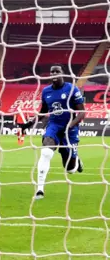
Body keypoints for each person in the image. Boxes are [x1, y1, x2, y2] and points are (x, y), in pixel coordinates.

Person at [34, 65, 85, 200]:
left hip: (70, 129)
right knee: (46, 152)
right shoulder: (46, 91)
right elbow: (43, 111)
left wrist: (68, 127)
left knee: (70, 169)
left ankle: (77, 161)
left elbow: (82, 112)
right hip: (54, 126)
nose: (54, 73)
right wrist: (28, 124)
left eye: (57, 71)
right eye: (52, 71)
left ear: (62, 73)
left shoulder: (72, 89)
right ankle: (40, 189)